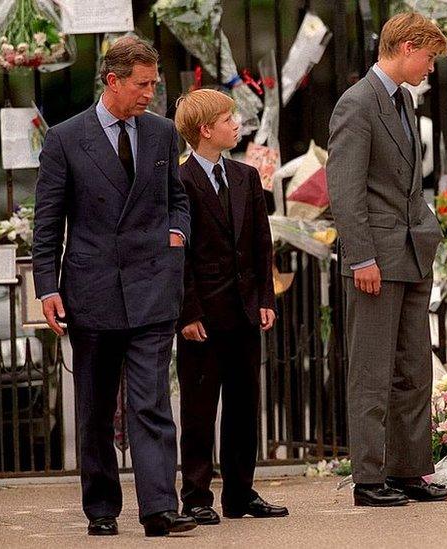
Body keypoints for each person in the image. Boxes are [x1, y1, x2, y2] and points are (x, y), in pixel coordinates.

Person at [31, 36, 197, 537]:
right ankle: (102, 508)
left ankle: (158, 508)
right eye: (142, 84)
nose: (151, 93)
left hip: (151, 287)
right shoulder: (64, 138)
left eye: (154, 83)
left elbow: (178, 201)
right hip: (92, 290)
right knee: (97, 408)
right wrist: (46, 287)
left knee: (151, 401)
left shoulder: (163, 133)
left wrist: (177, 234)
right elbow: (48, 221)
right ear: (113, 81)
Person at [326, 13, 447, 507]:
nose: (430, 68)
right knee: (372, 372)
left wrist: (427, 229)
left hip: (411, 252)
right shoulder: (357, 103)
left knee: (414, 369)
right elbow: (346, 188)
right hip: (375, 257)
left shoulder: (400, 99)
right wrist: (360, 258)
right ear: (406, 46)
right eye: (429, 57)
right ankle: (369, 479)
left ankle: (409, 470)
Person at [172, 89, 287, 524]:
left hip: (243, 312)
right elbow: (178, 255)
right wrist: (188, 312)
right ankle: (197, 497)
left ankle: (241, 494)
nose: (237, 125)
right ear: (205, 130)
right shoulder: (180, 181)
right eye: (228, 119)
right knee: (199, 409)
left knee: (243, 406)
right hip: (203, 315)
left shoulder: (244, 176)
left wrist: (264, 299)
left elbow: (261, 244)